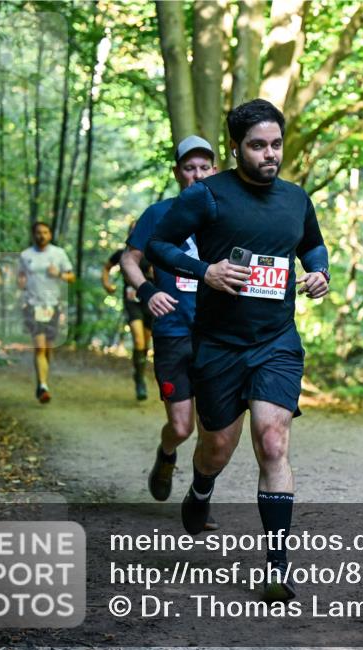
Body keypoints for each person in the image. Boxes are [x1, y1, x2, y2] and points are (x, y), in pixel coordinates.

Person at [146, 100, 330, 602]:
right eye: (257, 146)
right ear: (236, 148)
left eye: (275, 144)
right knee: (217, 447)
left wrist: (320, 272)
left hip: (275, 341)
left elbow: (312, 245)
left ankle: (275, 567)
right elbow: (159, 246)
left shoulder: (296, 199)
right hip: (219, 344)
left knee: (272, 441)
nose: (269, 154)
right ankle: (201, 486)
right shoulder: (207, 196)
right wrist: (204, 271)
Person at [120, 135, 216, 523]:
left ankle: (200, 497)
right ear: (178, 173)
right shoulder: (157, 213)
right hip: (174, 331)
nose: (196, 175)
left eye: (204, 168)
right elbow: (130, 259)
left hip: (216, 334)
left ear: (215, 171)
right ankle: (166, 455)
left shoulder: (224, 215)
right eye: (189, 168)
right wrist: (146, 290)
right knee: (181, 426)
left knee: (214, 427)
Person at [18, 221, 75, 403]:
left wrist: (58, 274)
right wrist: (20, 283)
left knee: (48, 348)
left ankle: (42, 380)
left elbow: (71, 277)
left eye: (45, 232)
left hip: (53, 306)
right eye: (38, 232)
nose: (41, 235)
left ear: (50, 234)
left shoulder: (59, 253)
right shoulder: (25, 255)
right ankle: (43, 385)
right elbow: (19, 277)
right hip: (33, 305)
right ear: (33, 235)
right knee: (40, 347)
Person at [103, 245, 154, 400]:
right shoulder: (122, 254)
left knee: (145, 344)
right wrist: (107, 284)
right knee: (138, 341)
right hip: (132, 302)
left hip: (150, 301)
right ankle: (140, 382)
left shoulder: (153, 252)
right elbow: (106, 268)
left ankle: (139, 372)